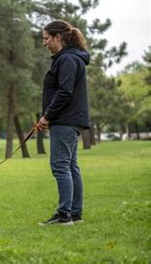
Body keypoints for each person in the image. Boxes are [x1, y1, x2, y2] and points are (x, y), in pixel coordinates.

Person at [36, 20, 90, 226]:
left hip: (65, 120)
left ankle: (64, 215)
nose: (45, 43)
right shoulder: (69, 58)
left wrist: (47, 116)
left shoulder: (67, 59)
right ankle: (75, 214)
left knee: (60, 166)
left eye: (46, 38)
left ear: (58, 37)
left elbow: (65, 91)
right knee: (70, 166)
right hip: (69, 119)